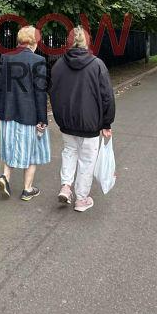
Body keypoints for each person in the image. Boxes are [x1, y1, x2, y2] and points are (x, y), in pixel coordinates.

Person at [49, 27, 115, 213]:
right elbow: (107, 96)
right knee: (87, 160)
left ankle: (66, 186)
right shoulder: (97, 65)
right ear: (87, 42)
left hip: (66, 122)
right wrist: (107, 122)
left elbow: (53, 93)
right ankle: (81, 199)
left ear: (69, 42)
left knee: (69, 152)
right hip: (90, 123)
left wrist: (60, 116)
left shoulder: (58, 65)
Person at [0, 25, 51, 201]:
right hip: (29, 115)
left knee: (10, 146)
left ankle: (5, 177)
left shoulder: (6, 57)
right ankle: (27, 189)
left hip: (7, 113)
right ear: (34, 42)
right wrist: (42, 119)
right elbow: (40, 92)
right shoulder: (38, 60)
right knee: (32, 151)